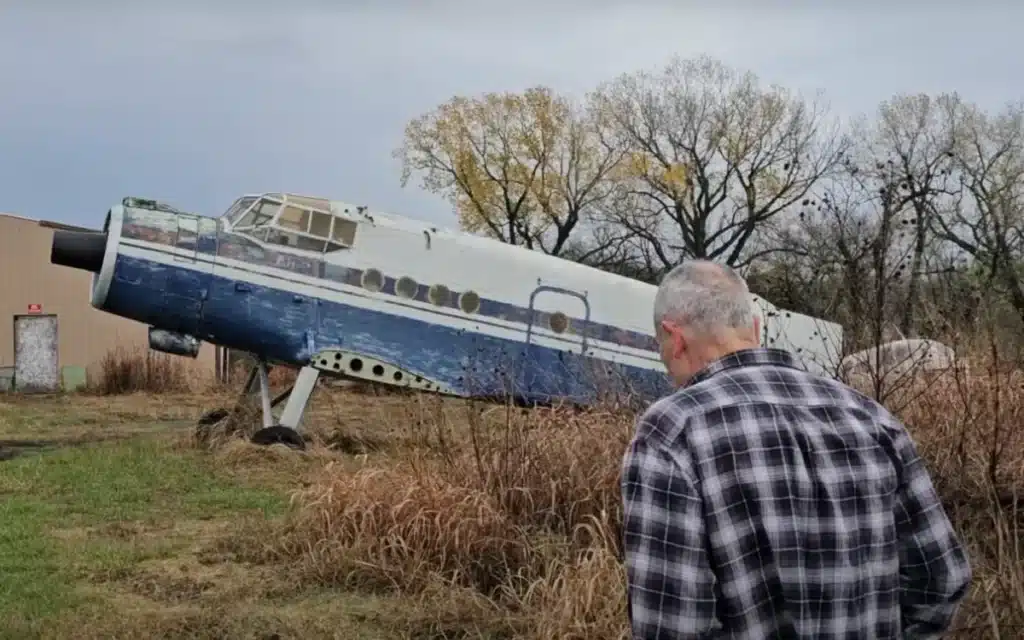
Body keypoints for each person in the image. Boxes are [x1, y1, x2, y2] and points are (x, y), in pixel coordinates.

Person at [621, 260, 972, 639]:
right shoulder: (873, 419)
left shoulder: (672, 432)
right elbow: (942, 579)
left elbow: (671, 627)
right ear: (755, 328)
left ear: (675, 339)